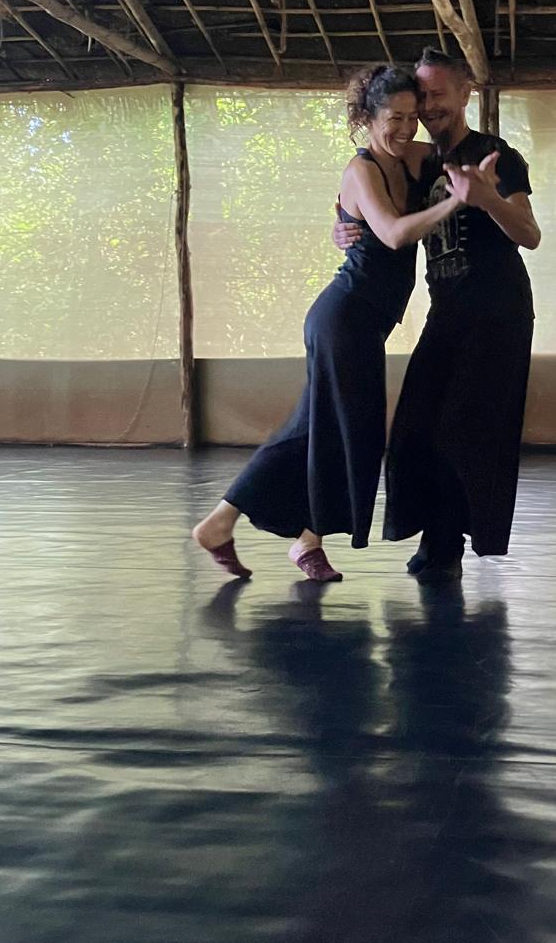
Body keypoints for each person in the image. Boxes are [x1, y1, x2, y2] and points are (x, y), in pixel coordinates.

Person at [192, 63, 471, 583]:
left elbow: (455, 151)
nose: (405, 128)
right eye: (393, 118)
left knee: (322, 428)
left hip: (365, 324)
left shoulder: (413, 157)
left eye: (412, 117)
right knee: (344, 431)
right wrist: (456, 201)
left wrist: (338, 222)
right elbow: (392, 233)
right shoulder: (362, 170)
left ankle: (270, 533)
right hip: (343, 317)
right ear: (369, 117)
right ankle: (268, 532)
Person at [335, 47, 541, 580]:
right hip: (448, 311)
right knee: (412, 429)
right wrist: (341, 224)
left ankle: (445, 547)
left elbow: (529, 234)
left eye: (437, 95)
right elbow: (370, 190)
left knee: (463, 431)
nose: (428, 107)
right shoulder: (422, 159)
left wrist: (488, 198)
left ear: (466, 93)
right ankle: (437, 538)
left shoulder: (496, 154)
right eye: (421, 97)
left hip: (497, 313)